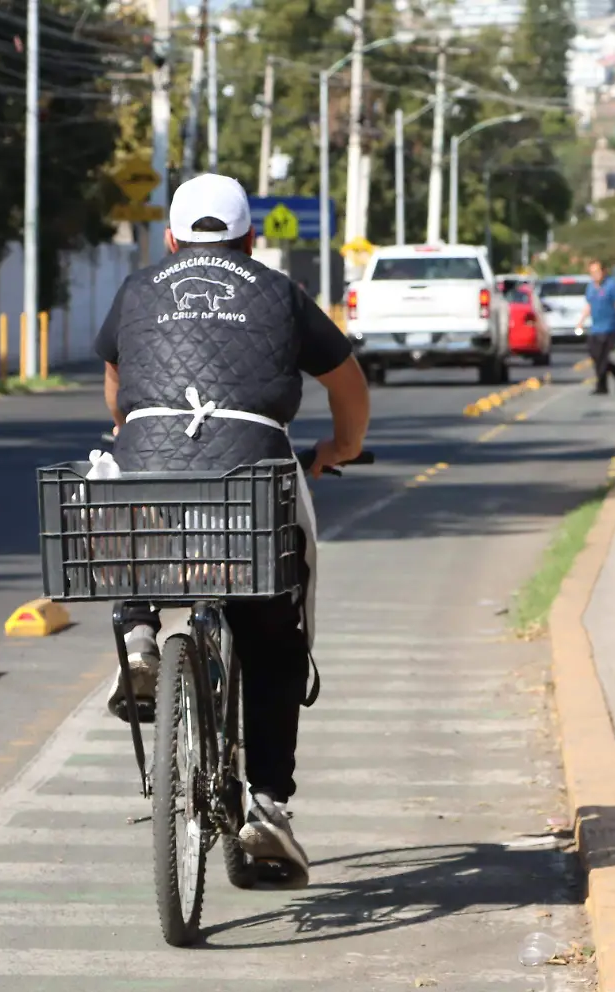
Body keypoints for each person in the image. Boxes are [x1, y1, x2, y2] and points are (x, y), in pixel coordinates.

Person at [93, 173, 372, 884]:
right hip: (252, 473)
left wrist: (131, 432)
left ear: (170, 239)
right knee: (276, 641)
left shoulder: (140, 287)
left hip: (149, 466)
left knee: (130, 518)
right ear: (251, 239)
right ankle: (269, 805)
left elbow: (117, 378)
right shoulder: (277, 291)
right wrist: (338, 450)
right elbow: (347, 382)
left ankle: (138, 627)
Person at [576, 260, 615, 395]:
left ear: (603, 272)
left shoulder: (611, 285)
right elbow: (589, 306)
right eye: (592, 272)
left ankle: (601, 386)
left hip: (610, 327)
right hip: (595, 327)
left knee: (602, 357)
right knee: (596, 356)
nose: (595, 275)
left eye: (597, 271)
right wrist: (581, 321)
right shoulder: (591, 288)